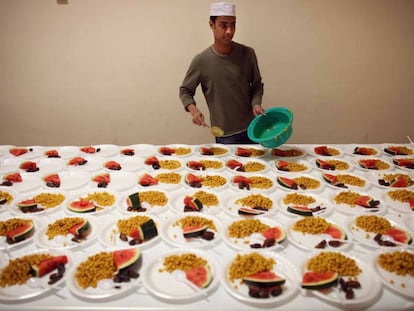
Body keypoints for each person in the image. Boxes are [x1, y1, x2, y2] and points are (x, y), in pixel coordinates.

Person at [179, 2, 266, 144]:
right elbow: (185, 91)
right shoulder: (201, 60)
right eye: (223, 25)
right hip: (224, 134)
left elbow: (256, 85)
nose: (229, 31)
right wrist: (194, 111)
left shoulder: (248, 54)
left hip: (252, 128)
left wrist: (256, 104)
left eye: (233, 25)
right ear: (211, 25)